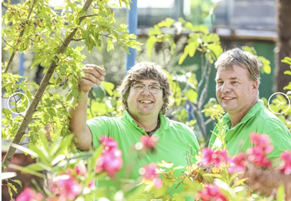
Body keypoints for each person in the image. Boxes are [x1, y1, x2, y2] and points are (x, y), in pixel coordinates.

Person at [68, 62, 199, 181]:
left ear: (164, 97)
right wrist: (81, 90)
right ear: (126, 95)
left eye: (154, 87)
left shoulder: (185, 134)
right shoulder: (108, 128)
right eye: (138, 86)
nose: (146, 92)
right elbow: (78, 136)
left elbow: (198, 181)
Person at [208, 48, 291, 197]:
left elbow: (288, 185)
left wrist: (238, 174)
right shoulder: (222, 125)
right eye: (220, 82)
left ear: (254, 86)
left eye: (234, 82)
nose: (225, 89)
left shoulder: (268, 126)